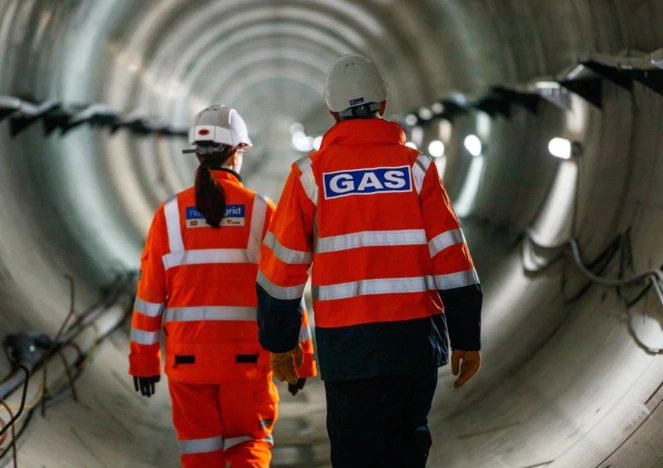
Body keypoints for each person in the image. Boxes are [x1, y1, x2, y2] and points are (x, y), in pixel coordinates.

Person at [256, 55, 483, 468]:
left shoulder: (311, 175)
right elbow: (452, 258)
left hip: (348, 345)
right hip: (414, 341)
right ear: (382, 104)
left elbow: (283, 270)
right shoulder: (417, 170)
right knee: (407, 449)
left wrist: (280, 342)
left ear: (331, 112)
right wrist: (467, 335)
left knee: (355, 453)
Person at [128, 105, 317, 468]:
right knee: (250, 446)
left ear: (197, 154)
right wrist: (301, 357)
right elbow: (286, 289)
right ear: (238, 151)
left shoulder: (168, 215)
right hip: (246, 364)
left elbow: (150, 297)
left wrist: (143, 360)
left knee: (200, 458)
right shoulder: (262, 211)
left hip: (187, 365)